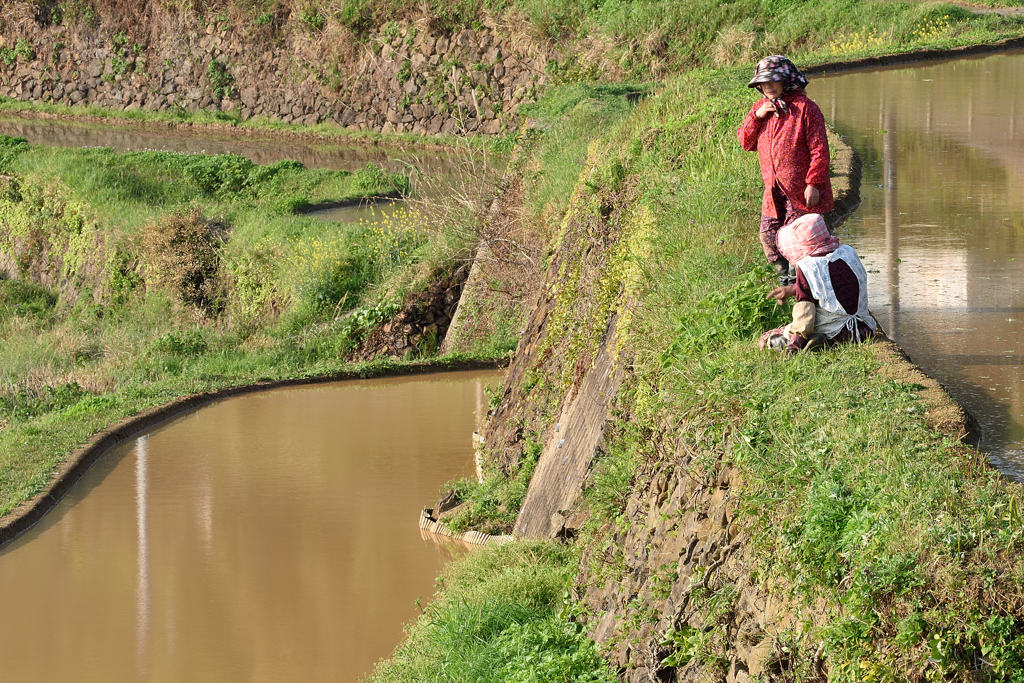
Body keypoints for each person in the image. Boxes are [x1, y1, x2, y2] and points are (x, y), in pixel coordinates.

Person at [737, 55, 833, 285]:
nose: (768, 86)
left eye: (773, 80)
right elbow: (745, 142)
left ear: (787, 80)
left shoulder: (805, 109)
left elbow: (820, 149)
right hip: (773, 189)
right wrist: (756, 117)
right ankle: (784, 281)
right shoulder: (760, 108)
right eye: (763, 82)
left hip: (800, 190)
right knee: (769, 235)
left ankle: (800, 287)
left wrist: (814, 183)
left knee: (798, 239)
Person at [759, 213, 877, 353]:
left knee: (773, 335)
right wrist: (793, 289)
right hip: (863, 328)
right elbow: (832, 285)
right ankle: (821, 341)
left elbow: (805, 311)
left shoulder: (808, 266)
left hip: (834, 331)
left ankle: (813, 342)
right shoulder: (847, 252)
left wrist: (795, 343)